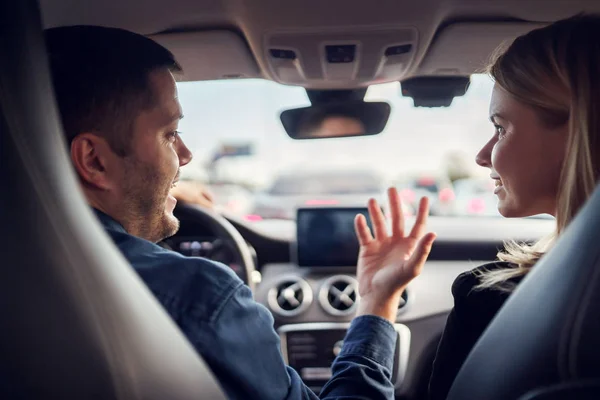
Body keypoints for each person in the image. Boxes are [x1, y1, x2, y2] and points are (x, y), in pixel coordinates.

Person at [45, 25, 436, 400]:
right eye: (170, 134)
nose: (185, 155)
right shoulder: (201, 296)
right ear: (93, 161)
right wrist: (378, 302)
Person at [352, 14, 600, 400]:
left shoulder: (489, 300)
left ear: (579, 129)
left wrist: (375, 304)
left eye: (501, 128)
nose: (483, 156)